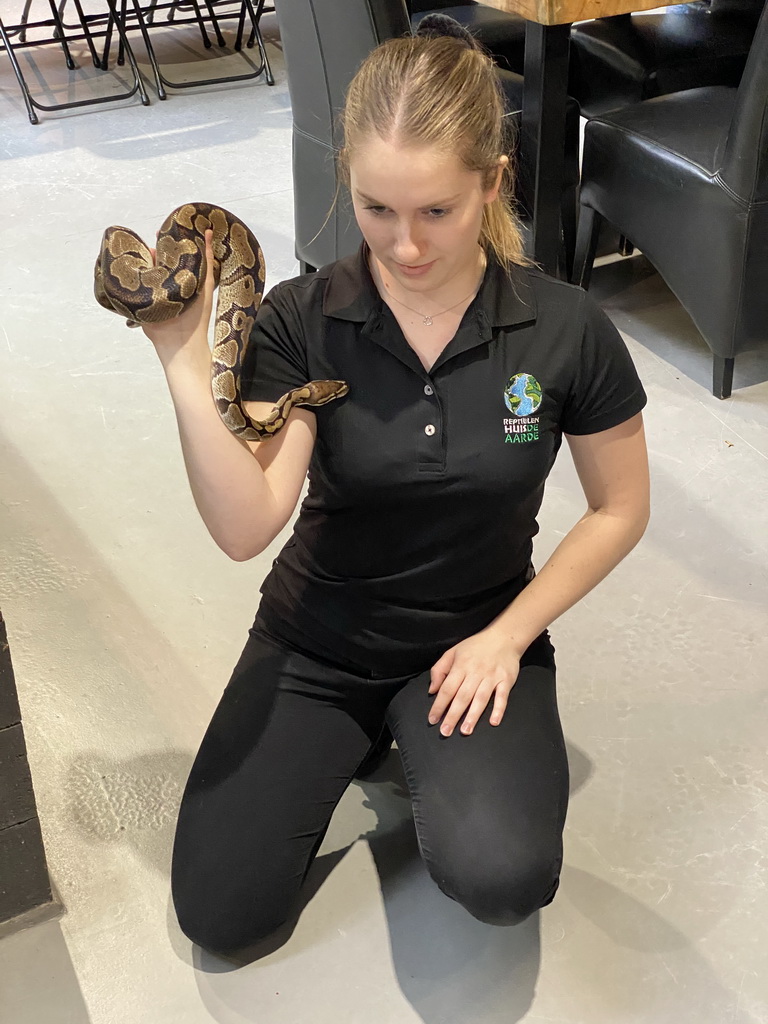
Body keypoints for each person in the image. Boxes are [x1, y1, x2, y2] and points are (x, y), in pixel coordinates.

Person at [141, 17, 650, 963]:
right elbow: (248, 526)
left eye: (437, 213)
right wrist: (182, 367)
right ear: (348, 178)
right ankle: (364, 732)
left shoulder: (566, 329)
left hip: (474, 640)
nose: (405, 246)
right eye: (377, 209)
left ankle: (419, 733)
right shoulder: (301, 320)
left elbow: (621, 508)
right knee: (221, 915)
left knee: (504, 880)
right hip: (318, 637)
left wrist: (509, 637)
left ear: (493, 183)